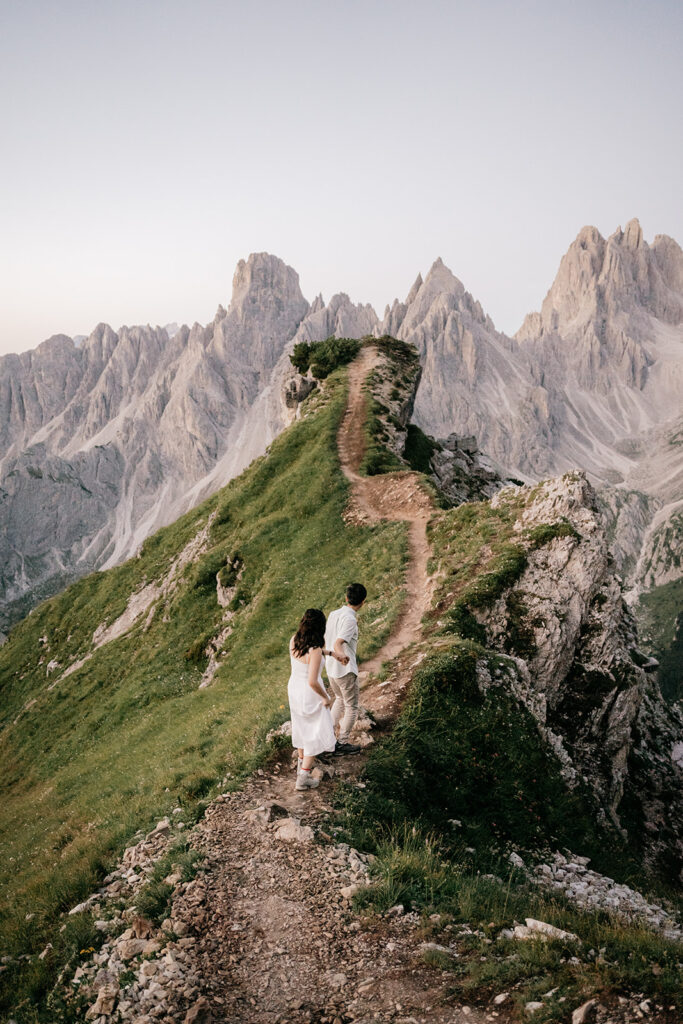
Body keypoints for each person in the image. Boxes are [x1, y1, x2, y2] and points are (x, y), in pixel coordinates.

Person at [287, 608, 344, 790]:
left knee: (302, 728)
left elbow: (310, 654)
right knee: (314, 732)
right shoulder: (316, 649)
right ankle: (303, 778)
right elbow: (312, 681)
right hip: (309, 693)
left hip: (294, 689)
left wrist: (331, 653)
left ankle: (300, 769)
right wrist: (326, 697)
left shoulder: (294, 640)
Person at [324, 582, 367, 755]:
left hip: (331, 667)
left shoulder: (334, 614)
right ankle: (341, 742)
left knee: (339, 700)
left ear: (346, 598)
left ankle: (327, 737)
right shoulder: (350, 619)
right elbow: (338, 642)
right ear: (363, 602)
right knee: (351, 706)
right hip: (344, 669)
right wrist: (342, 656)